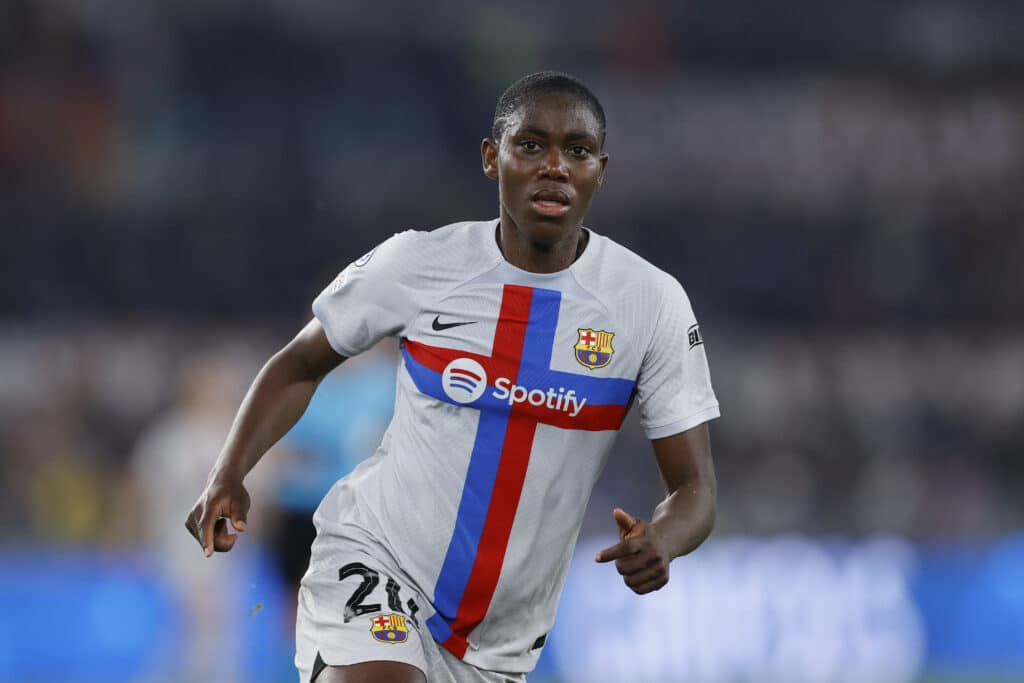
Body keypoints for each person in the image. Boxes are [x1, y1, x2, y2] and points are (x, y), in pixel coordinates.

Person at [186, 71, 720, 683]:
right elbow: (300, 363)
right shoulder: (420, 263)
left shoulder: (650, 303)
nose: (554, 166)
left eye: (576, 151)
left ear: (600, 170)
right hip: (377, 559)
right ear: (492, 158)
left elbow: (695, 487)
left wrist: (664, 538)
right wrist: (230, 471)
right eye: (531, 145)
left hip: (499, 641)